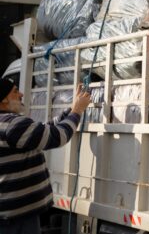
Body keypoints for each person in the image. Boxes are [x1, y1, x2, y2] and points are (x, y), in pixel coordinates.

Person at [0, 80, 91, 234]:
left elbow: (44, 129)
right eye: (15, 91)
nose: (21, 94)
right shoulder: (13, 125)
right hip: (16, 220)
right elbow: (57, 136)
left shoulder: (9, 125)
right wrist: (77, 111)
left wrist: (70, 109)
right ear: (3, 99)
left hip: (13, 215)